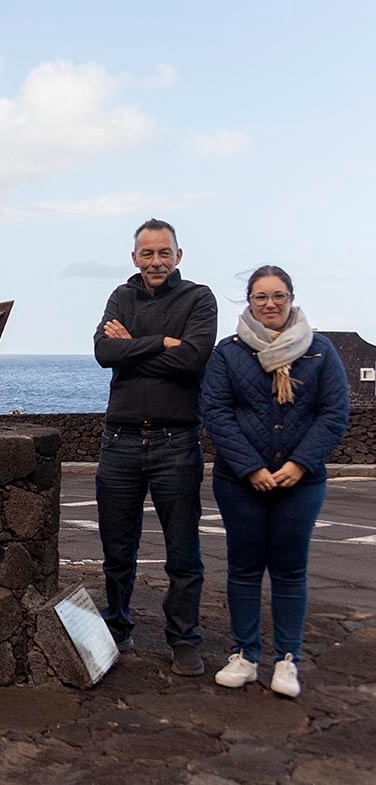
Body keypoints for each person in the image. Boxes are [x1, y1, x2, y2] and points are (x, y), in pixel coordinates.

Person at [201, 265, 349, 698]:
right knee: (244, 567)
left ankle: (287, 659)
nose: (270, 304)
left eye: (278, 296)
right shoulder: (226, 354)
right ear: (248, 301)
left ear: (291, 298)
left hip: (301, 483)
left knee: (289, 569)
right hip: (239, 480)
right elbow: (217, 412)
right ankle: (245, 654)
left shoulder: (320, 351)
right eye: (261, 296)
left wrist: (301, 463)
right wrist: (251, 467)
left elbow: (333, 413)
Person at [93, 218, 217, 676]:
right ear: (134, 258)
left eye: (164, 252)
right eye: (147, 253)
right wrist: (162, 342)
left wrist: (134, 348)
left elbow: (193, 358)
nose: (156, 261)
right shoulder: (120, 297)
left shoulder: (198, 298)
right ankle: (118, 627)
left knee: (183, 552)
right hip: (120, 440)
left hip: (176, 441)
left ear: (178, 256)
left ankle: (184, 639)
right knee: (116, 550)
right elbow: (104, 353)